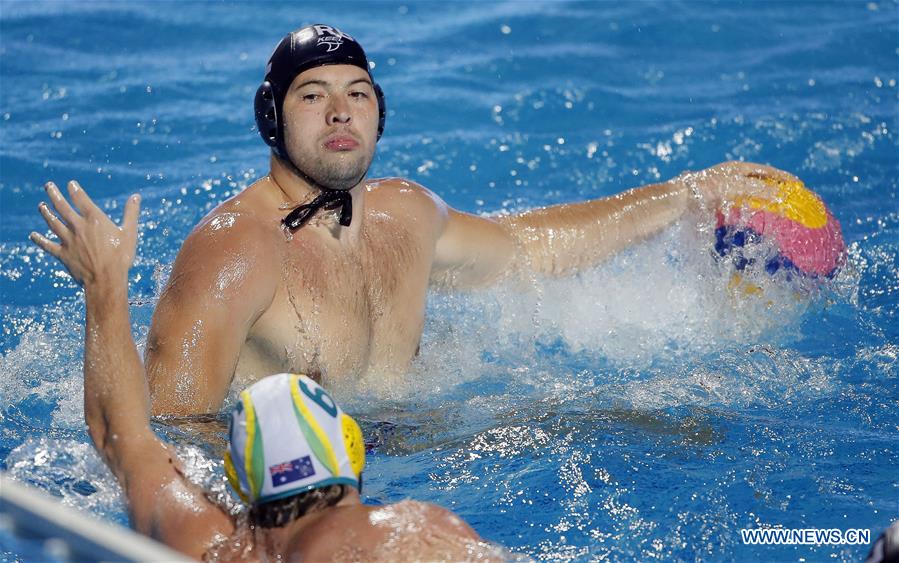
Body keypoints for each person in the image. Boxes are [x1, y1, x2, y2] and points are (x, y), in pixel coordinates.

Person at [31, 23, 802, 417]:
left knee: (645, 418)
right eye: (312, 94)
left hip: (403, 433)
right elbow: (171, 428)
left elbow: (529, 250)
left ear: (378, 114)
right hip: (291, 498)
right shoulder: (234, 255)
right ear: (272, 119)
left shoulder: (404, 213)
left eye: (358, 92)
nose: (340, 109)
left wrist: (679, 196)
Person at [27, 186, 491, 558]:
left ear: (237, 475)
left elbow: (118, 434)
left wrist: (103, 283)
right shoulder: (415, 536)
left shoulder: (204, 540)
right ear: (352, 450)